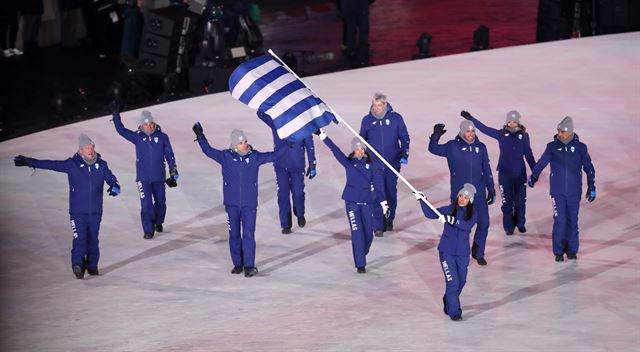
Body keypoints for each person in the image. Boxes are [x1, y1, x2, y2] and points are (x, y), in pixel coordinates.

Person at [13, 134, 120, 279]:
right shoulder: (72, 164)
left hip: (95, 212)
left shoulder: (101, 165)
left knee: (93, 239)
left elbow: (113, 181)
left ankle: (92, 266)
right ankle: (77, 265)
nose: (91, 150)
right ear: (81, 150)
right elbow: (51, 164)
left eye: (92, 147)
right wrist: (28, 161)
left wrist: (115, 187)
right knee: (79, 238)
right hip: (77, 213)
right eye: (87, 148)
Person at [192, 122, 285, 277]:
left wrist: (287, 144)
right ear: (235, 145)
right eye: (241, 142)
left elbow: (274, 156)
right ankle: (238, 264)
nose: (245, 144)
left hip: (249, 205)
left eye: (245, 141)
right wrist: (200, 136)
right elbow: (208, 151)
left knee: (248, 235)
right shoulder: (225, 157)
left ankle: (249, 266)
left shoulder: (255, 157)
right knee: (234, 235)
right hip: (232, 205)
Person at [316, 129, 387, 274]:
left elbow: (379, 186)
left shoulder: (372, 167)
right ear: (353, 151)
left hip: (367, 203)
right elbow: (335, 150)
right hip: (352, 203)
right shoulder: (349, 164)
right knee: (357, 234)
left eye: (362, 149)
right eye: (357, 149)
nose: (360, 152)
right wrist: (323, 135)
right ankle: (360, 264)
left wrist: (383, 202)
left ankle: (362, 252)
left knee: (368, 234)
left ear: (365, 151)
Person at [528, 116, 596, 262]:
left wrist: (591, 186)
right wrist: (534, 175)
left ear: (570, 132)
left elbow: (589, 168)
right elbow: (541, 162)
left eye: (562, 131)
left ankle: (572, 250)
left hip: (574, 192)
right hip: (557, 192)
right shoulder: (552, 147)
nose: (559, 134)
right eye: (558, 131)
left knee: (572, 221)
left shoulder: (580, 148)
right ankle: (558, 251)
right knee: (560, 220)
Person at [428, 120, 496, 266]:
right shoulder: (452, 146)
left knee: (484, 223)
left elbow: (487, 168)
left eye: (472, 131)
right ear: (462, 132)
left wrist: (490, 187)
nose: (470, 134)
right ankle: (456, 252)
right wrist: (435, 136)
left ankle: (478, 252)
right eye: (467, 131)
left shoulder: (481, 147)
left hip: (478, 194)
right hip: (460, 197)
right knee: (459, 226)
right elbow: (433, 149)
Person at [460, 110, 536, 235]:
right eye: (510, 121)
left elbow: (528, 154)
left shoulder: (524, 136)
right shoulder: (501, 134)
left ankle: (520, 223)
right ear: (507, 122)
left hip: (520, 175)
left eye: (515, 121)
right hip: (505, 174)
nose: (512, 123)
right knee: (507, 203)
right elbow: (485, 129)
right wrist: (470, 118)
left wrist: (535, 172)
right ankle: (509, 227)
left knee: (520, 202)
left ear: (518, 122)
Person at [110, 103, 179, 239]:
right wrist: (116, 115)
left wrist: (173, 170)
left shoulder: (163, 137)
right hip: (143, 179)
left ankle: (158, 221)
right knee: (146, 205)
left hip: (159, 177)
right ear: (142, 125)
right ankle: (148, 229)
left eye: (151, 123)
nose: (149, 126)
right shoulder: (137, 137)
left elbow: (169, 154)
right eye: (146, 124)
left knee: (161, 203)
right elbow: (121, 130)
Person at [415, 183, 477, 321]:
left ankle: (448, 299)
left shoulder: (473, 214)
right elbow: (430, 213)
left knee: (461, 281)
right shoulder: (449, 209)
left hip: (462, 253)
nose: (462, 199)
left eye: (466, 197)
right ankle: (455, 312)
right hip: (446, 252)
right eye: (460, 196)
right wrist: (423, 200)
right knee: (453, 282)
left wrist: (450, 220)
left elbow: (466, 226)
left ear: (470, 201)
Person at [359, 93, 410, 237]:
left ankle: (389, 219)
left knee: (390, 192)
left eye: (379, 105)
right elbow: (361, 140)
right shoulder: (367, 120)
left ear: (385, 104)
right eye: (374, 105)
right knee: (377, 194)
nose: (376, 108)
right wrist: (361, 156)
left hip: (392, 163)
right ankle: (378, 224)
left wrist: (404, 154)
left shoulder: (396, 118)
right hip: (374, 165)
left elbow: (404, 138)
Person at [257, 111, 317, 234]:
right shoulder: (276, 123)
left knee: (298, 192)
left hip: (297, 166)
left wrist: (312, 164)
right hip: (280, 166)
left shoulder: (303, 125)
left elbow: (310, 145)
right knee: (283, 194)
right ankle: (286, 224)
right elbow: (261, 114)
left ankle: (300, 213)